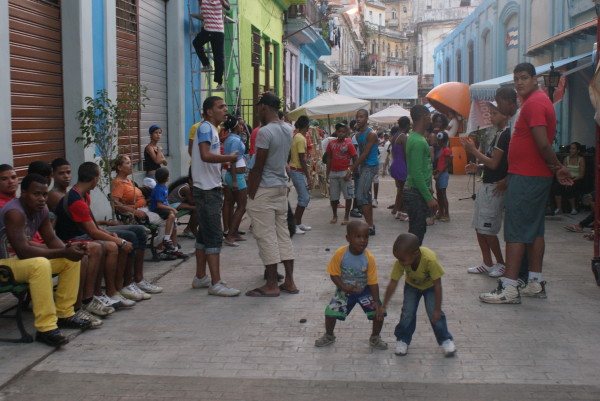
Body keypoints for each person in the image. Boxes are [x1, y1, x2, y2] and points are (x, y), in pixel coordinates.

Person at [479, 62, 573, 304]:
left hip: (528, 176)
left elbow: (543, 144)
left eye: (524, 78)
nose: (519, 82)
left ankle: (509, 287)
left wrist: (557, 167)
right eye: (516, 78)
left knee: (516, 231)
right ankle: (534, 281)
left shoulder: (535, 104)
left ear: (535, 80)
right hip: (530, 175)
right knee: (533, 231)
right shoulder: (535, 103)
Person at [0, 174, 92, 346]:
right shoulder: (14, 213)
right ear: (24, 193)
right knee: (39, 264)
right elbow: (24, 251)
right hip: (4, 263)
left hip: (20, 262)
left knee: (69, 260)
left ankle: (65, 313)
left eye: (44, 195)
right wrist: (63, 252)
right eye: (37, 194)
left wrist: (68, 250)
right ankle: (46, 328)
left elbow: (51, 240)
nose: (42, 199)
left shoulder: (40, 210)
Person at [55, 162, 138, 308]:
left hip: (82, 235)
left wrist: (110, 234)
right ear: (94, 179)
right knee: (111, 246)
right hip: (72, 239)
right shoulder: (76, 200)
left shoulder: (83, 195)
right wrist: (120, 242)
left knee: (116, 241)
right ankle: (90, 296)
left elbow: (91, 225)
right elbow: (92, 231)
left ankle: (104, 292)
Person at [245, 92, 298, 297]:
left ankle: (272, 284)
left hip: (265, 188)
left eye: (260, 107)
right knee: (283, 235)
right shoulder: (287, 129)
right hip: (280, 187)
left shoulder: (265, 132)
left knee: (266, 236)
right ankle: (290, 282)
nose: (258, 110)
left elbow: (258, 166)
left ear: (265, 108)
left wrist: (251, 193)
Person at [190, 96, 240, 296]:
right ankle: (216, 283)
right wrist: (229, 157)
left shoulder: (212, 129)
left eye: (225, 106)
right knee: (213, 236)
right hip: (207, 190)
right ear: (209, 111)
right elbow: (204, 155)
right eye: (221, 107)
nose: (225, 110)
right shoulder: (205, 128)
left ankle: (201, 277)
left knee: (204, 235)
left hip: (207, 188)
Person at [379, 233, 456, 357]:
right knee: (407, 313)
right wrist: (384, 305)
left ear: (415, 253)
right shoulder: (402, 260)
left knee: (435, 315)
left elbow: (438, 285)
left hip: (431, 287)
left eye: (403, 260)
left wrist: (437, 309)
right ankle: (403, 340)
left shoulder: (430, 260)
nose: (400, 262)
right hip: (412, 287)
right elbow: (393, 283)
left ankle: (445, 340)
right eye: (398, 259)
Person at [314, 221, 387, 349]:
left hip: (365, 291)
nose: (363, 240)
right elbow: (334, 274)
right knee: (330, 313)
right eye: (358, 237)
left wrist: (376, 301)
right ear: (348, 238)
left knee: (379, 313)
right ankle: (329, 335)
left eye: (366, 237)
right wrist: (343, 287)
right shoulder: (340, 254)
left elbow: (373, 282)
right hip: (345, 291)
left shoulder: (369, 258)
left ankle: (375, 336)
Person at [460, 101, 510, 278]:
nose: (491, 116)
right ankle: (487, 262)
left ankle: (501, 263)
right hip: (487, 185)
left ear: (505, 114)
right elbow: (492, 162)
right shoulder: (498, 134)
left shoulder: (505, 135)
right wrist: (479, 166)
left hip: (495, 187)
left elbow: (496, 163)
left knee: (488, 228)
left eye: (494, 113)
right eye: (490, 113)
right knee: (479, 226)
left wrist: (473, 150)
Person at [111, 155, 177, 261]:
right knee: (168, 219)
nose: (131, 165)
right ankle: (160, 248)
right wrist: (134, 211)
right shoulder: (118, 183)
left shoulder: (128, 180)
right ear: (119, 167)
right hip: (137, 213)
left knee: (170, 217)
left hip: (145, 208)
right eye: (127, 163)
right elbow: (115, 203)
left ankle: (163, 246)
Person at [404, 105, 437, 245]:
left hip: (416, 191)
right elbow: (417, 172)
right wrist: (429, 198)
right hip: (415, 193)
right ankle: (411, 262)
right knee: (416, 234)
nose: (430, 119)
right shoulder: (418, 141)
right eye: (429, 115)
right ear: (425, 116)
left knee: (418, 230)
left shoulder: (414, 138)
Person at [347, 109, 378, 236]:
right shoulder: (359, 134)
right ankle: (370, 225)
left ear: (367, 118)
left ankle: (370, 225)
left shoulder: (371, 134)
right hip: (364, 167)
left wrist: (351, 168)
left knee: (361, 196)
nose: (358, 119)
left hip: (370, 166)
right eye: (357, 117)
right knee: (366, 196)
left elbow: (365, 154)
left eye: (361, 117)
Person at [192, 0, 230, 91]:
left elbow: (228, 6)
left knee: (217, 56)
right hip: (216, 31)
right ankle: (219, 82)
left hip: (212, 30)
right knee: (218, 57)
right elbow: (227, 6)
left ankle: (208, 65)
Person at [222, 114, 248, 247]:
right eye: (241, 125)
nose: (243, 126)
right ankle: (230, 235)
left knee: (232, 203)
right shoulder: (236, 141)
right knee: (242, 206)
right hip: (236, 175)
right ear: (236, 127)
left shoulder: (230, 139)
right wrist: (234, 180)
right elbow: (232, 160)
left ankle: (234, 232)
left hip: (233, 175)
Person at [326, 122, 357, 225]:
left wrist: (350, 171)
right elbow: (329, 158)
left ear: (346, 133)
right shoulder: (331, 143)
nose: (341, 134)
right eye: (339, 131)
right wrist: (327, 173)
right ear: (336, 132)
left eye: (343, 132)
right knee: (333, 197)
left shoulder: (349, 144)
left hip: (345, 173)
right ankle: (335, 215)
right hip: (333, 173)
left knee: (348, 196)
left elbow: (355, 158)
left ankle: (346, 216)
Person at [149, 167, 182, 256]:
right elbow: (159, 205)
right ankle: (166, 239)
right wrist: (171, 209)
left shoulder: (164, 187)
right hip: (157, 209)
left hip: (163, 208)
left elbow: (165, 202)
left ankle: (175, 249)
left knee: (174, 229)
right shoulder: (159, 189)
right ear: (167, 177)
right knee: (171, 216)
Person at [289, 115, 313, 234]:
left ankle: (298, 222)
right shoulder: (300, 138)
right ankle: (294, 224)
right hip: (297, 170)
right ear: (307, 125)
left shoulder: (298, 137)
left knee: (304, 197)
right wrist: (308, 177)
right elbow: (302, 158)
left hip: (297, 170)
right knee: (304, 197)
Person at [553, 142, 585, 215]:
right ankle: (559, 208)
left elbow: (581, 175)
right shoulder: (566, 159)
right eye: (570, 148)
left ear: (578, 150)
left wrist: (572, 180)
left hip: (576, 178)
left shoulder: (581, 159)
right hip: (567, 178)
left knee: (571, 186)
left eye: (573, 149)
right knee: (557, 186)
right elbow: (563, 171)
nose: (571, 150)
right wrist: (565, 179)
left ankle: (573, 208)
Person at [390, 118, 410, 220]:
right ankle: (402, 211)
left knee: (400, 189)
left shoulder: (395, 136)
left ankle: (397, 209)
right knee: (404, 191)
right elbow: (406, 154)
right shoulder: (403, 136)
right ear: (406, 125)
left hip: (395, 164)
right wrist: (409, 167)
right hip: (402, 165)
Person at [168, 173, 198, 238]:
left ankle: (189, 229)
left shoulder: (188, 186)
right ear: (190, 181)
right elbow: (192, 202)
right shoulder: (186, 188)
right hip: (172, 204)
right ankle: (192, 230)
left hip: (178, 203)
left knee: (198, 209)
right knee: (196, 209)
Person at [433, 131, 452, 222]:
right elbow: (442, 163)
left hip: (443, 174)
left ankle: (446, 214)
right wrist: (437, 170)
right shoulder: (442, 150)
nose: (437, 142)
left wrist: (439, 174)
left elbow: (447, 164)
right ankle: (441, 212)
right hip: (440, 173)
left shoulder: (447, 150)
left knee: (443, 194)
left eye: (439, 141)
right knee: (439, 194)